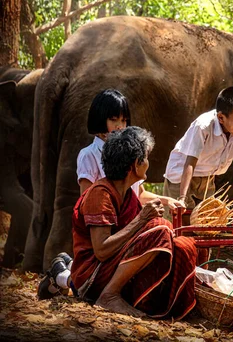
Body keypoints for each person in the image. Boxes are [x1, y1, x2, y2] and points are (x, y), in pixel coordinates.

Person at [67, 127, 197, 318]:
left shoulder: (128, 194)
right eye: (146, 157)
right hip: (93, 276)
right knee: (160, 228)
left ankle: (164, 302)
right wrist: (142, 219)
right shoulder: (100, 193)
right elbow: (102, 251)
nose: (148, 163)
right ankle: (109, 295)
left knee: (184, 244)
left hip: (115, 266)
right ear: (136, 164)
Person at [163, 86, 233, 268]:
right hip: (181, 176)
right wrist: (182, 198)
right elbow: (189, 163)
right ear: (221, 117)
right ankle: (181, 269)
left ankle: (206, 270)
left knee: (211, 222)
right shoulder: (203, 126)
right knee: (183, 227)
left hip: (208, 177)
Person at [77, 89, 180, 207]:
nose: (120, 126)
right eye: (113, 120)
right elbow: (87, 202)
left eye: (124, 121)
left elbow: (139, 195)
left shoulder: (129, 152)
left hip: (131, 220)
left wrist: (167, 201)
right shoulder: (89, 155)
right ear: (99, 119)